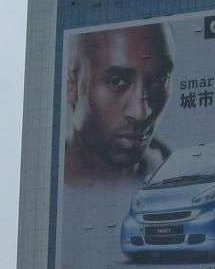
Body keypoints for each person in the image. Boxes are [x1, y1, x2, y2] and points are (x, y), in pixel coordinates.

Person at [62, 22, 173, 183]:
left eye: (159, 80)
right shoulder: (43, 177)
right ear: (72, 85)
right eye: (116, 82)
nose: (141, 113)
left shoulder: (179, 175)